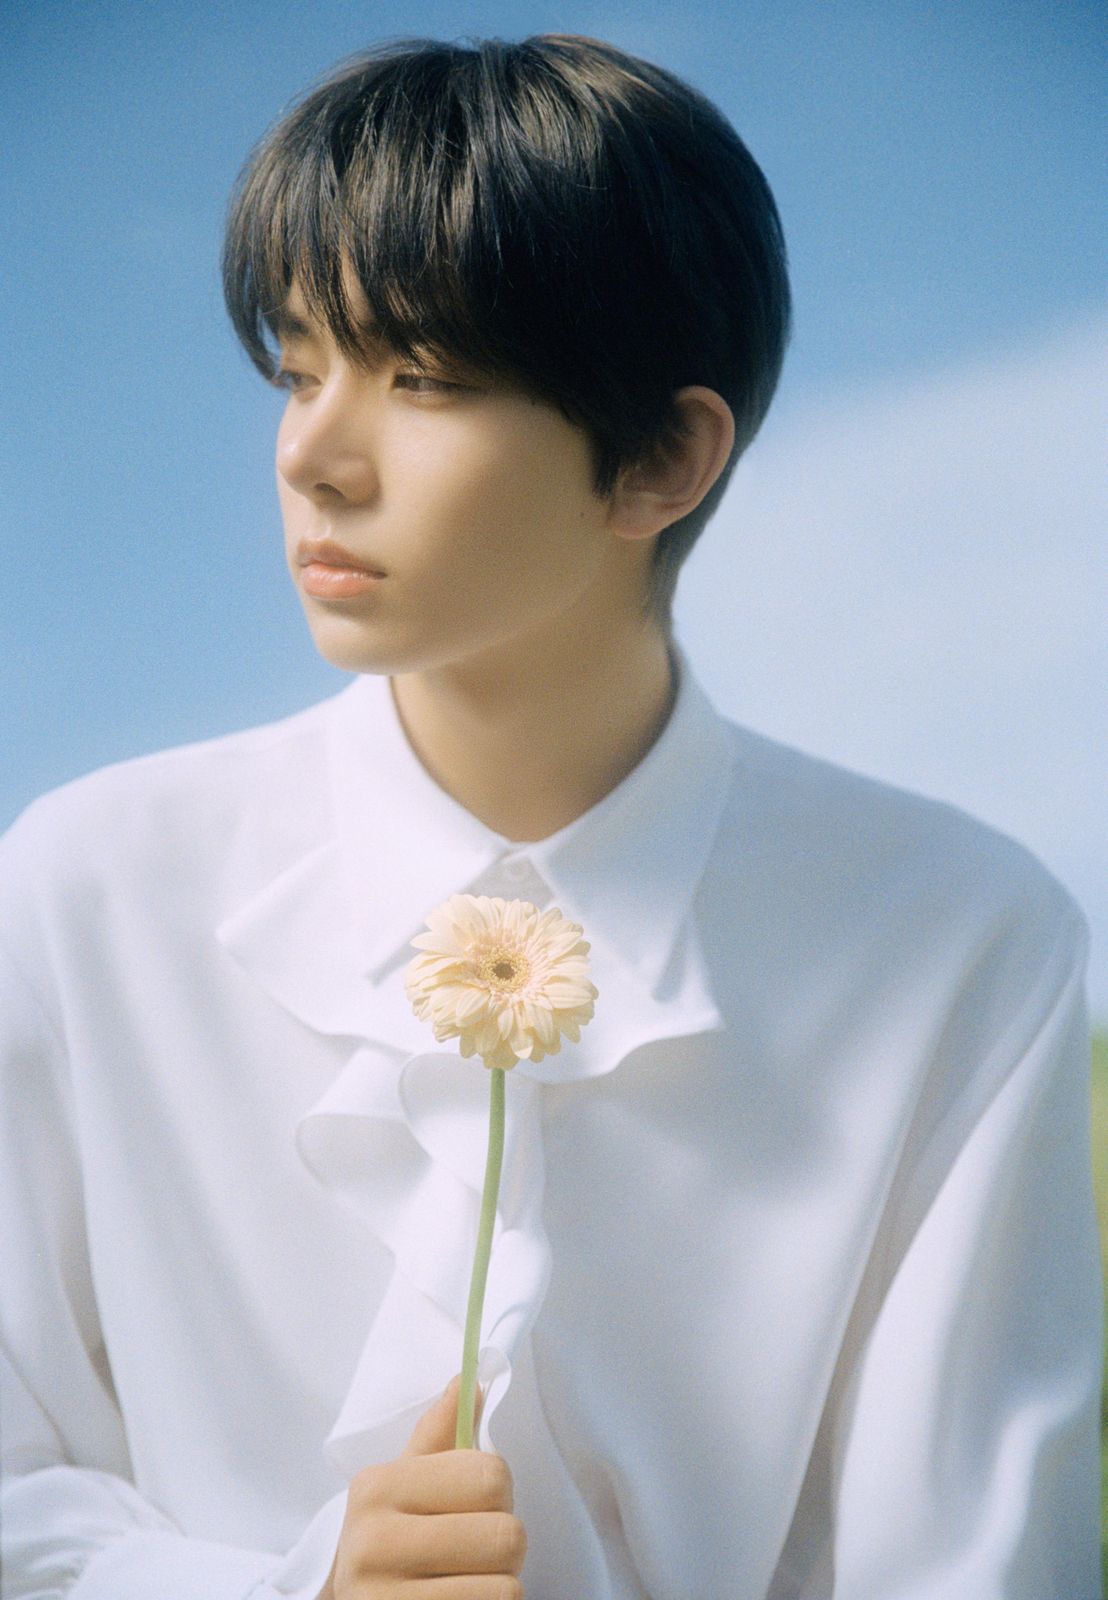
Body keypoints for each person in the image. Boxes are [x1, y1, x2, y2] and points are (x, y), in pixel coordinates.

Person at [0, 32, 1101, 1600]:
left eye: (424, 379)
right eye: (301, 371)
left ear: (661, 458)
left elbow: (975, 1568)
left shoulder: (959, 941)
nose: (313, 456)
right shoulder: (87, 889)